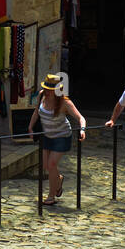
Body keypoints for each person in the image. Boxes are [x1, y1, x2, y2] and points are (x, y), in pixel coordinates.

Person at [28, 72, 86, 206]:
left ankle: (51, 196)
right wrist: (30, 127)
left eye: (50, 90)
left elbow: (80, 118)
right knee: (45, 165)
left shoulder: (64, 102)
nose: (47, 92)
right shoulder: (42, 95)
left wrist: (82, 130)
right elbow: (37, 111)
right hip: (47, 135)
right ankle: (58, 180)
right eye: (46, 88)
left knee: (51, 164)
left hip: (61, 136)